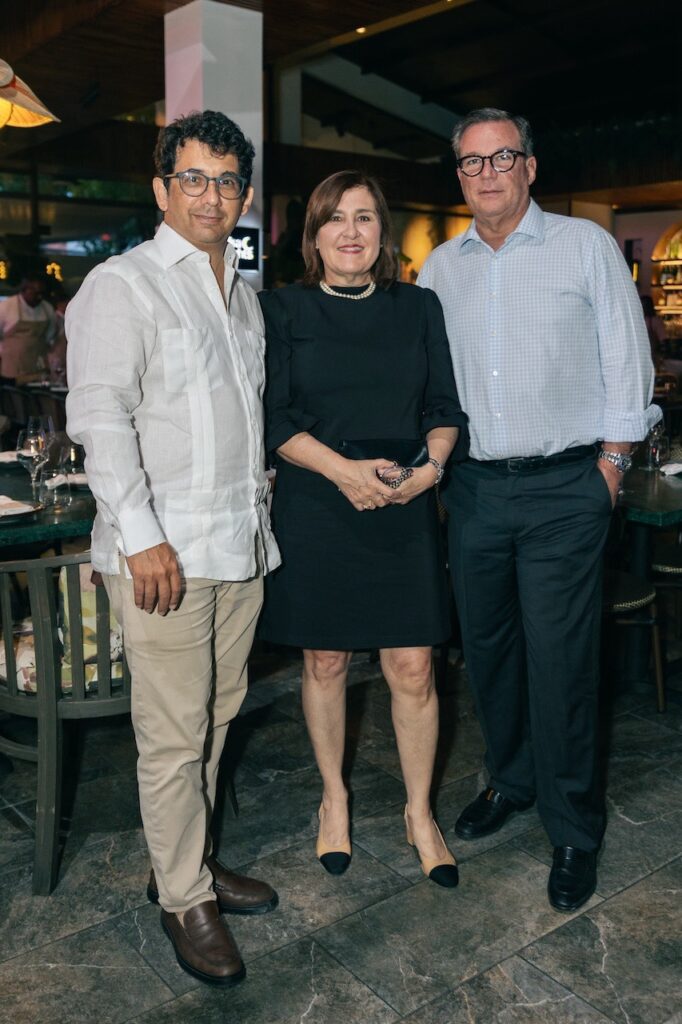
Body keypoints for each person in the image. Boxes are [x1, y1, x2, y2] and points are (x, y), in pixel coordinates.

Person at [418, 108, 660, 912]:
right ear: (459, 175)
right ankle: (512, 782)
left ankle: (573, 829)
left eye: (502, 158)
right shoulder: (441, 270)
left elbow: (630, 360)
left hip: (566, 489)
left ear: (529, 167)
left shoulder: (582, 246)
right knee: (488, 652)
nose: (486, 174)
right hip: (476, 491)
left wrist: (611, 469)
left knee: (561, 662)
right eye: (470, 163)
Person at [66, 110, 281, 987]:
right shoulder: (123, 285)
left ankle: (182, 861)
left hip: (240, 547)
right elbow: (99, 417)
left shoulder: (242, 291)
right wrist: (141, 535)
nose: (212, 195)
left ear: (243, 193)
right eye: (192, 178)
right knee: (170, 735)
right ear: (161, 189)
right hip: (164, 556)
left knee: (218, 718)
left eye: (227, 180)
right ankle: (184, 899)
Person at [259, 170, 468, 889]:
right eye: (334, 219)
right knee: (324, 662)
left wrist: (429, 471)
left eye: (365, 218)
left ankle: (419, 813)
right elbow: (275, 419)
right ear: (313, 235)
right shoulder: (280, 308)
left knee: (412, 667)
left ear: (382, 232)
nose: (351, 232)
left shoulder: (419, 307)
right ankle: (334, 800)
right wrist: (346, 474)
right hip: (319, 503)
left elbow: (444, 406)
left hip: (405, 499)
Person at [0, 275, 56, 383]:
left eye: (42, 293)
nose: (39, 297)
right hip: (12, 367)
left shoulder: (47, 309)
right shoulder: (6, 307)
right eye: (36, 293)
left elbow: (50, 335)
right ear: (25, 290)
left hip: (38, 366)